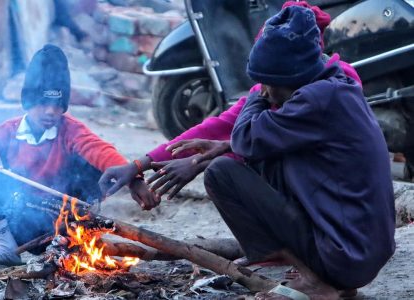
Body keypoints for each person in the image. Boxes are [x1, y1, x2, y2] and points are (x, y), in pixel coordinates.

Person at [204, 6, 395, 299]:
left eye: (269, 83)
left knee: (221, 173)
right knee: (267, 161)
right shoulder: (335, 89)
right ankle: (330, 277)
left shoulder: (317, 99)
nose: (267, 92)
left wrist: (256, 95)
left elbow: (243, 139)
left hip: (344, 256)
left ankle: (314, 279)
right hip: (359, 251)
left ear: (292, 77)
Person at [98, 1, 362, 211]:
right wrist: (138, 165)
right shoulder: (275, 87)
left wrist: (199, 162)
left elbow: (269, 148)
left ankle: (295, 249)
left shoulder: (330, 92)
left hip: (341, 206)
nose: (262, 88)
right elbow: (219, 126)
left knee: (228, 171)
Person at [0, 44, 145, 267]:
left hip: (63, 222)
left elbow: (100, 150)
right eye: (43, 103)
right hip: (20, 220)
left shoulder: (70, 130)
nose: (51, 112)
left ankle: (76, 246)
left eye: (57, 104)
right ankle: (5, 248)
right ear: (28, 103)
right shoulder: (8, 131)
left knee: (93, 164)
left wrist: (133, 176)